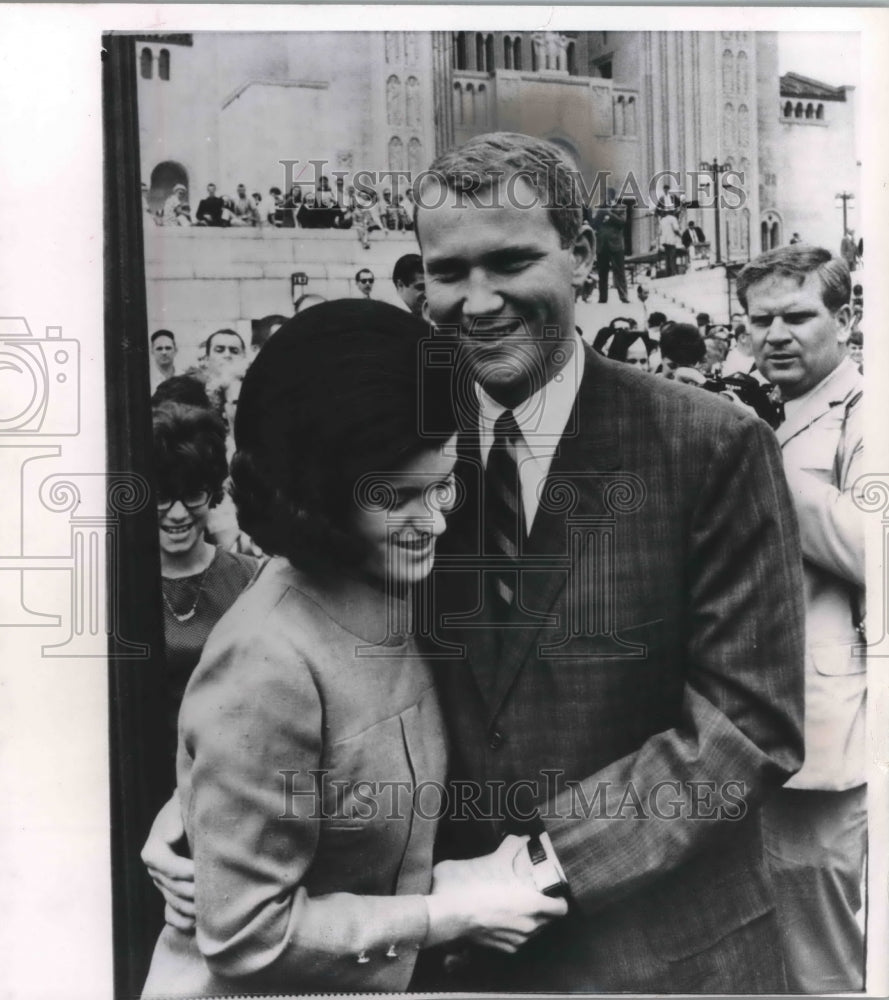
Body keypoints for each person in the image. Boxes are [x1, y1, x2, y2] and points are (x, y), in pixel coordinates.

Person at [414, 131, 805, 993]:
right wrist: (212, 795)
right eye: (449, 272)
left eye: (511, 261)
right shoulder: (402, 444)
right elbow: (314, 633)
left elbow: (748, 727)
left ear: (581, 255)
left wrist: (537, 868)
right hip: (449, 960)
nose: (478, 302)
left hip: (662, 961)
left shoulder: (710, 444)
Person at [140, 301, 566, 996]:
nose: (434, 519)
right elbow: (245, 937)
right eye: (400, 497)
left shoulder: (399, 571)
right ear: (318, 493)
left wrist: (188, 816)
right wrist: (445, 912)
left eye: (445, 483)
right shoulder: (269, 657)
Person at [739, 245, 866, 993]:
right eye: (760, 320)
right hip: (765, 731)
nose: (775, 335)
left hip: (828, 745)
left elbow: (870, 550)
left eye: (796, 316)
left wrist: (760, 462)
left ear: (844, 319)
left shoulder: (866, 411)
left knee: (825, 966)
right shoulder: (782, 415)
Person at [150, 402, 259, 769]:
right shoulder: (121, 587)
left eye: (193, 493)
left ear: (212, 493)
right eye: (162, 495)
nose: (178, 513)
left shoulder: (251, 578)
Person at [592, 189, 629, 304]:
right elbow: (595, 224)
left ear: (613, 197)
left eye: (607, 196)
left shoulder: (621, 207)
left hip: (616, 244)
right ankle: (603, 298)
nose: (605, 198)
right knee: (602, 272)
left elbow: (622, 222)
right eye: (604, 196)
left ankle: (623, 296)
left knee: (619, 272)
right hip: (602, 244)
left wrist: (609, 214)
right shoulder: (601, 209)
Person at [393, 253, 426, 317]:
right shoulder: (389, 319)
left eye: (429, 288)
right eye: (421, 287)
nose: (427, 295)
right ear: (400, 285)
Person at [658, 209, 682, 276]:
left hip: (664, 241)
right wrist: (681, 235)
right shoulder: (673, 219)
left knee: (667, 257)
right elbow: (676, 229)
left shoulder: (662, 220)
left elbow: (659, 232)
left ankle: (668, 272)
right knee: (672, 256)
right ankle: (673, 272)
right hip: (671, 240)